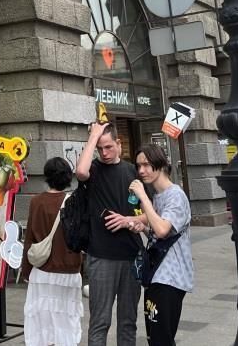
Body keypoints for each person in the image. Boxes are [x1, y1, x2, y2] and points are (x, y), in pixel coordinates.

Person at [75, 122, 143, 346]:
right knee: (100, 322)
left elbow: (152, 214)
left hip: (131, 256)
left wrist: (129, 220)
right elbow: (80, 171)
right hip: (101, 257)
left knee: (128, 322)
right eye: (100, 148)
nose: (104, 153)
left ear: (119, 144)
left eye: (109, 147)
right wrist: (93, 136)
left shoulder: (134, 172)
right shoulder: (93, 169)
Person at [127, 145, 193, 346]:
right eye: (139, 165)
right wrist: (143, 228)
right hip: (157, 274)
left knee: (161, 339)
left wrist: (143, 197)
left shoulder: (175, 195)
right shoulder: (159, 197)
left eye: (146, 165)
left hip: (170, 278)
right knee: (156, 338)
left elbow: (164, 229)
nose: (141, 171)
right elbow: (159, 235)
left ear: (161, 165)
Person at [21, 157, 84, 346]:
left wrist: (26, 270)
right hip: (70, 269)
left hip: (43, 270)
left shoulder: (36, 202)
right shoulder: (74, 201)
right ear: (67, 178)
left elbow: (30, 239)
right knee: (67, 319)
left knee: (43, 320)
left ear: (47, 177)